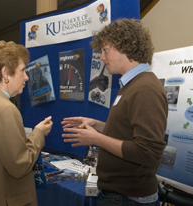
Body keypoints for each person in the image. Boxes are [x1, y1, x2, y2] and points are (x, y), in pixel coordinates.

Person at [61, 18, 168, 206]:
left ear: (124, 47)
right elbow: (129, 133)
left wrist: (96, 138)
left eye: (105, 50)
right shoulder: (133, 85)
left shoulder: (145, 89)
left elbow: (146, 152)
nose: (101, 57)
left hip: (128, 199)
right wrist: (98, 125)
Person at [0, 40, 53, 206]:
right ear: (5, 73)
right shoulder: (4, 109)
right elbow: (20, 165)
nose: (27, 77)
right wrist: (38, 134)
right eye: (22, 70)